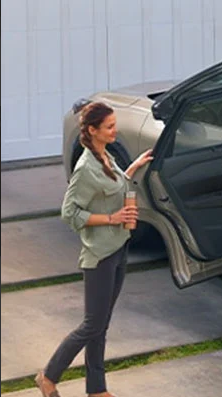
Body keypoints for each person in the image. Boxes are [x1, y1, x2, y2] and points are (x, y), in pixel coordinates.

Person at [35, 102, 153, 397]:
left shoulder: (105, 156)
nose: (115, 130)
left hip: (118, 248)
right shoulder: (86, 167)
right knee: (91, 325)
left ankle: (97, 389)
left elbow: (114, 184)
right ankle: (48, 376)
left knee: (101, 324)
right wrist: (111, 218)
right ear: (92, 130)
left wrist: (134, 167)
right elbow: (69, 212)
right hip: (100, 255)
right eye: (110, 127)